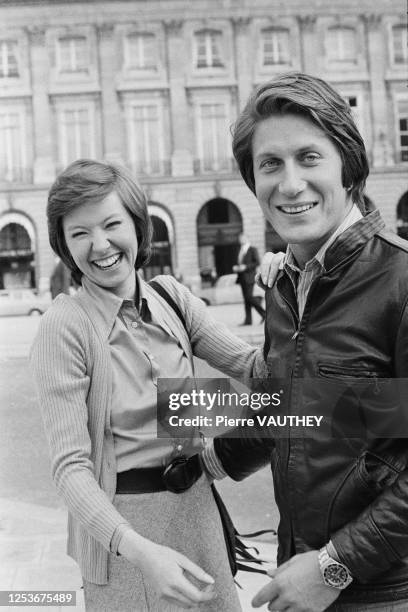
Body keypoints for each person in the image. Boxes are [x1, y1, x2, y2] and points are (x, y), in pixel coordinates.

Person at [30, 159, 280, 612]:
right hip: (125, 534)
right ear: (64, 245)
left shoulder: (170, 297)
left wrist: (288, 289)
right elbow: (70, 469)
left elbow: (256, 369)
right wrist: (141, 552)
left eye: (111, 224)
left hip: (197, 509)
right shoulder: (65, 325)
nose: (100, 245)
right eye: (79, 233)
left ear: (137, 226)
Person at [205, 72, 408, 611]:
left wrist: (333, 566)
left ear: (349, 166)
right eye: (270, 164)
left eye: (309, 157)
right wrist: (190, 452)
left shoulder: (400, 283)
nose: (290, 184)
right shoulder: (284, 286)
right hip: (296, 580)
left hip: (383, 590)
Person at [233, 232, 266, 325]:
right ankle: (248, 320)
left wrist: (246, 267)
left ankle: (264, 314)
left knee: (249, 297)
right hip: (241, 277)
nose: (241, 240)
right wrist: (237, 267)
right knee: (246, 299)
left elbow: (257, 262)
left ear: (247, 239)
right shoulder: (239, 250)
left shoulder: (252, 249)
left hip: (250, 277)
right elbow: (240, 262)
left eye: (242, 238)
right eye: (240, 238)